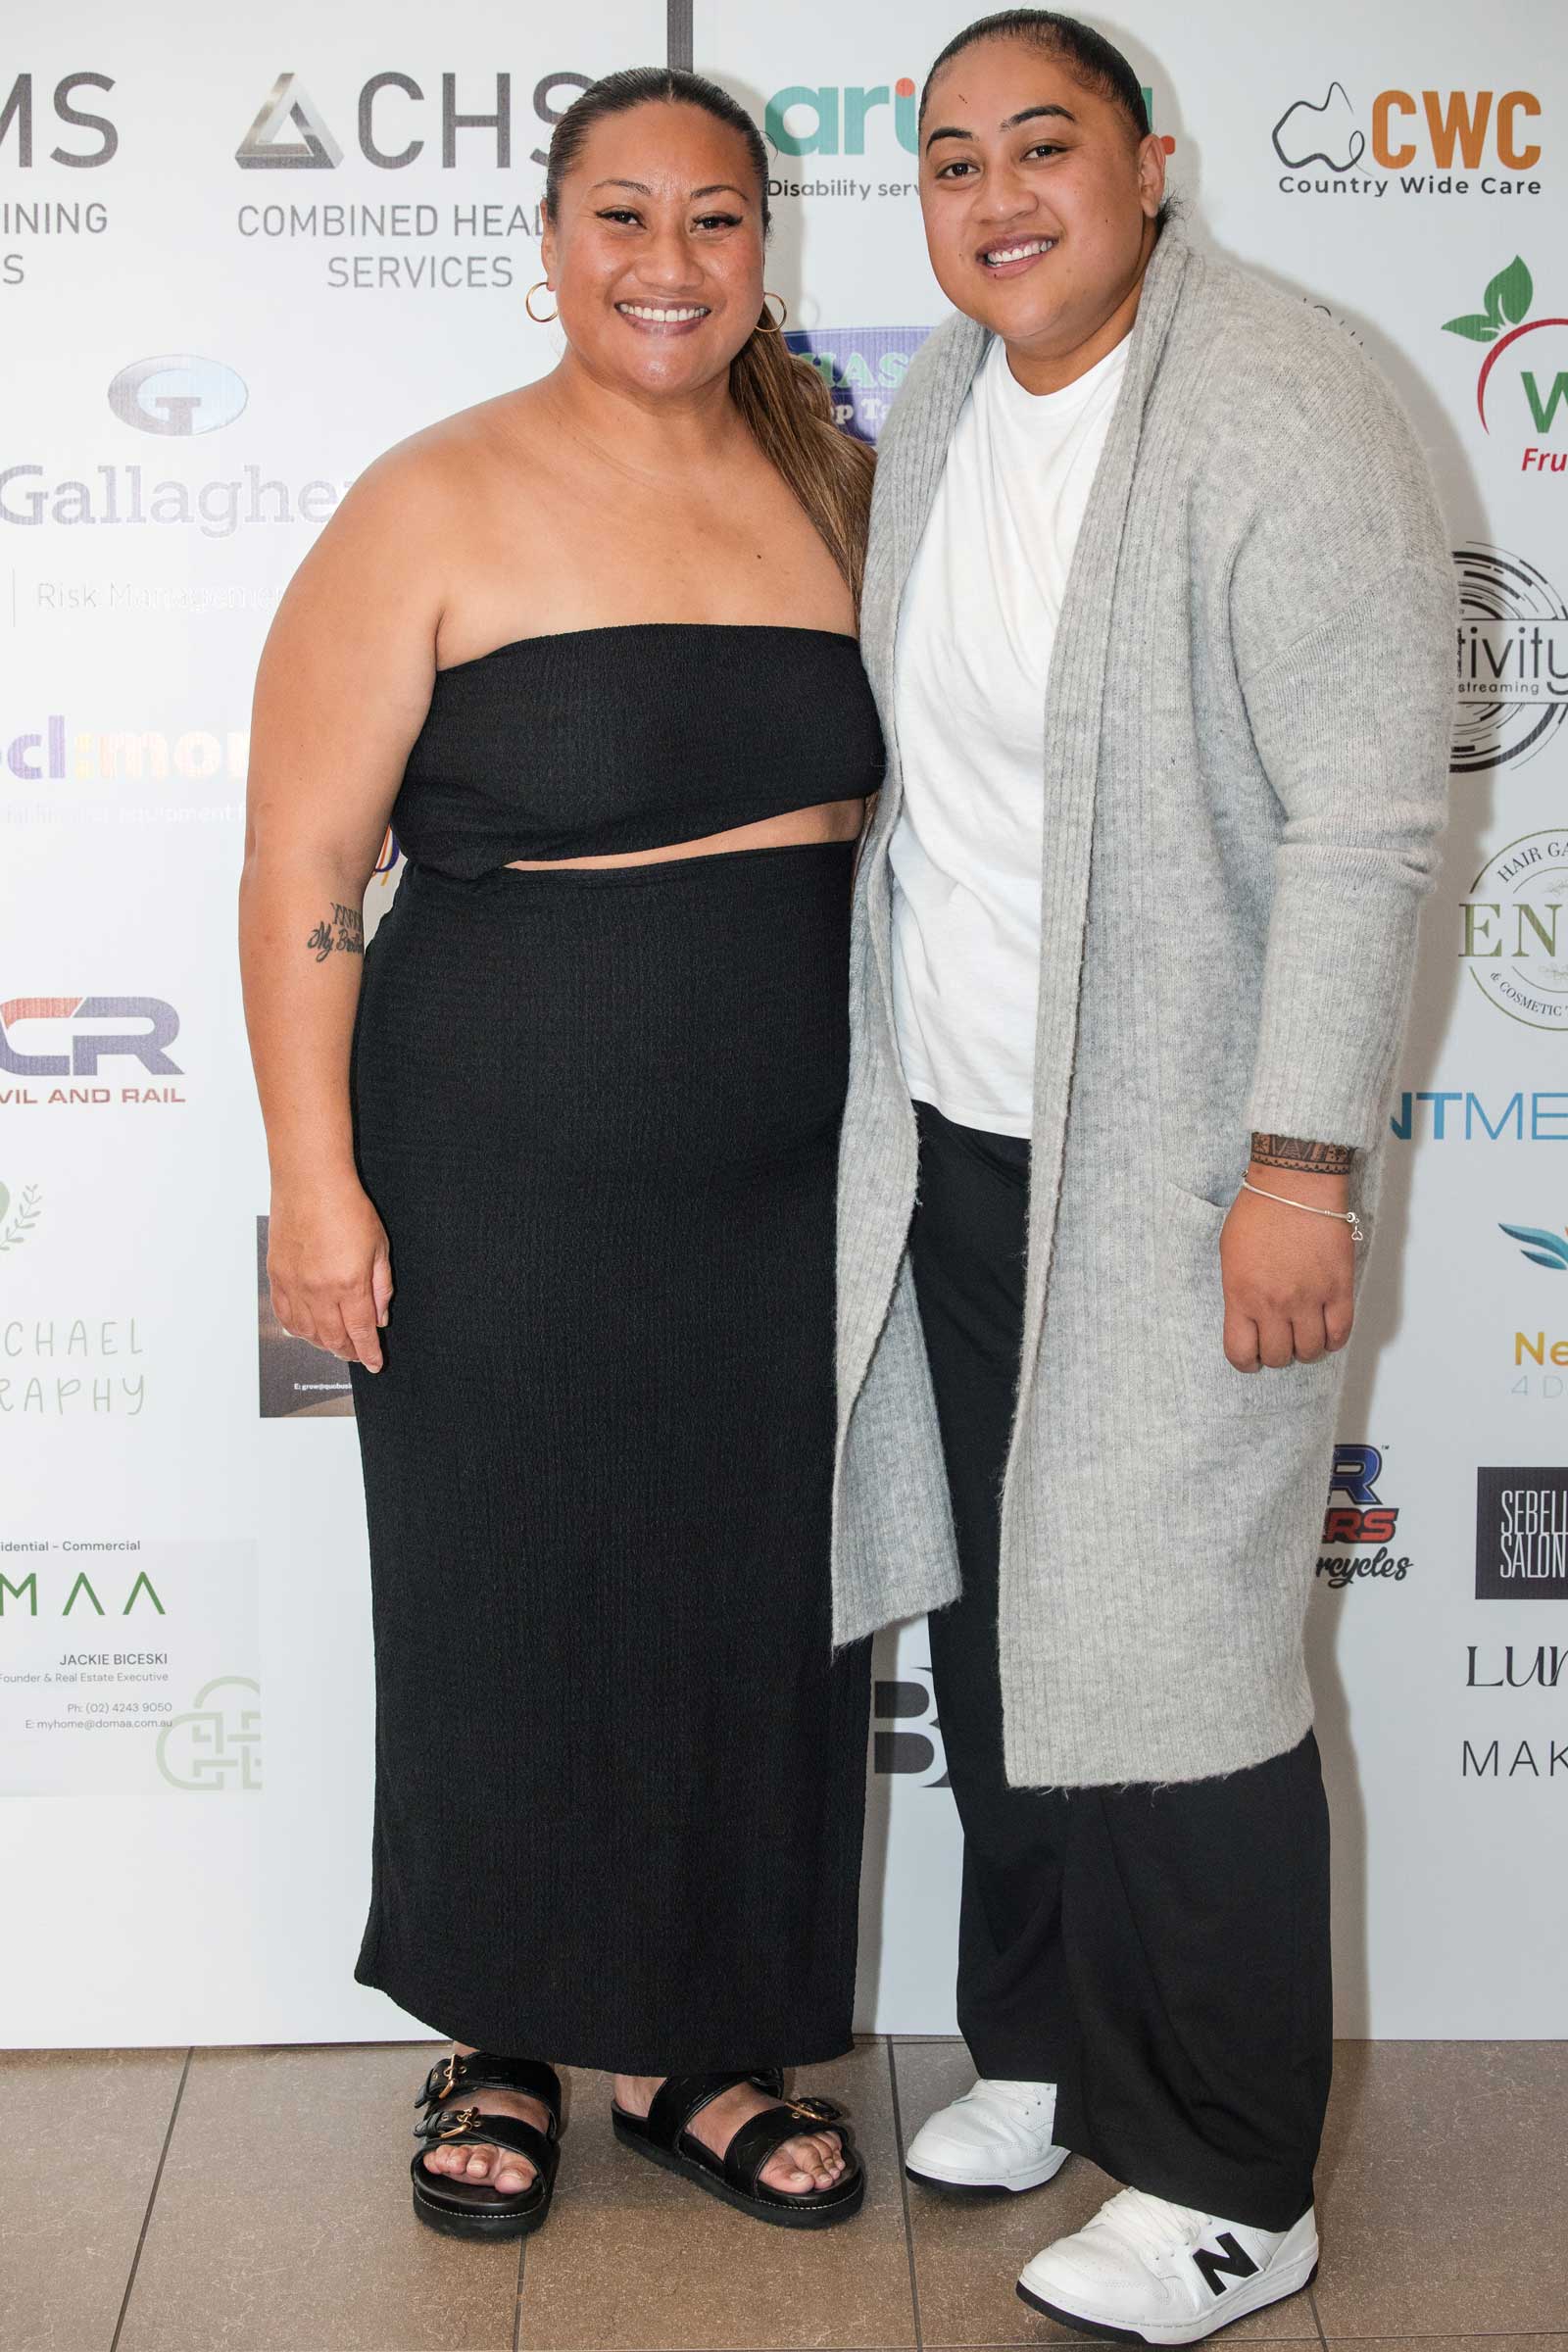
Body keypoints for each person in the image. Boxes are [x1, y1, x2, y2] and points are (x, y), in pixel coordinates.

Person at [833, 11, 1454, 2340]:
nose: (996, 198)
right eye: (950, 161)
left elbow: (1365, 823)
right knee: (1001, 1631)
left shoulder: (1284, 403)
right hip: (956, 1143)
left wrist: (1299, 1165)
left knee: (1181, 1654)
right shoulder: (935, 406)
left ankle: (1226, 2180)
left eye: (1043, 147)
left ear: (1149, 162)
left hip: (1188, 1171)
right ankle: (1042, 2046)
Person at [239, 66, 881, 2241]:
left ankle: (700, 2046)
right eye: (621, 213)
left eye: (714, 218)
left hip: (792, 1170)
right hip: (493, 1157)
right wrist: (314, 1181)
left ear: (763, 247)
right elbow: (303, 869)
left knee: (754, 1610)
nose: (666, 261)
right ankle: (497, 2032)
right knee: (502, 1594)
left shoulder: (839, 488)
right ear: (545, 241)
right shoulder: (429, 499)